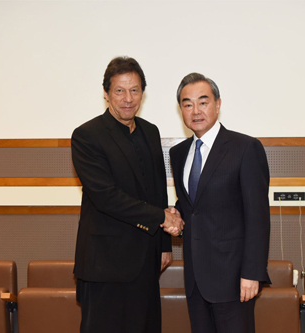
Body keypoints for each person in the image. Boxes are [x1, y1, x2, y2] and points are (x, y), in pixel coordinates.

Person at [71, 56, 184, 333]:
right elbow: (105, 196)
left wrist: (164, 246)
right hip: (104, 264)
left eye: (134, 90)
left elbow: (158, 187)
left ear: (142, 93)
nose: (127, 98)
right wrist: (162, 218)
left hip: (145, 262)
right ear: (106, 93)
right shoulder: (87, 135)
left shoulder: (150, 131)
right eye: (119, 90)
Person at [169, 73, 271, 333]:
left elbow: (258, 217)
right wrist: (174, 214)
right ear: (181, 109)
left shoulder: (245, 148)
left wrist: (252, 273)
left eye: (203, 102)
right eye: (187, 104)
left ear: (218, 104)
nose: (196, 110)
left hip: (234, 279)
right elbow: (192, 205)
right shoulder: (178, 153)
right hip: (195, 280)